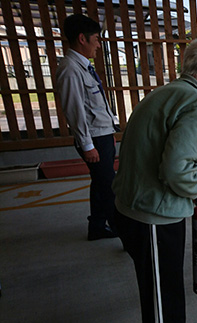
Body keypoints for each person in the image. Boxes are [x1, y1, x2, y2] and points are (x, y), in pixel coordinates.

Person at [112, 37, 197, 323]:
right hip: (152, 218)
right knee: (163, 304)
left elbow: (168, 155)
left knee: (160, 293)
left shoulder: (166, 94)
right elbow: (176, 171)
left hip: (132, 210)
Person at [56, 14, 118, 241]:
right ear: (82, 39)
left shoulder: (83, 67)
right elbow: (75, 112)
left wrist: (108, 133)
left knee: (100, 183)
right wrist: (88, 145)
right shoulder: (70, 69)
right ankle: (124, 231)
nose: (99, 45)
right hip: (93, 139)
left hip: (101, 135)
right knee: (110, 187)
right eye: (96, 39)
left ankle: (98, 227)